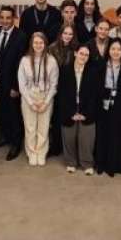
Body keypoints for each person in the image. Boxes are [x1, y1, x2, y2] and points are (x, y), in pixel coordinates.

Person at [0, 6, 27, 160]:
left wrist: (16, 87)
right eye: (2, 17)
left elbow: (21, 63)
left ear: (14, 19)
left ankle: (16, 143)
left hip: (11, 83)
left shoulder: (21, 36)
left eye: (8, 18)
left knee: (14, 114)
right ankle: (4, 137)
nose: (5, 21)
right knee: (2, 112)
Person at [95, 38, 121, 177]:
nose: (116, 52)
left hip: (120, 105)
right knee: (102, 134)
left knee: (117, 135)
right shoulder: (101, 64)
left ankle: (114, 165)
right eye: (113, 49)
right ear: (108, 50)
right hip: (103, 104)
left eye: (119, 49)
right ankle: (100, 164)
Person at [18, 31, 59, 166]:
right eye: (35, 42)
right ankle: (32, 152)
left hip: (45, 97)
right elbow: (22, 85)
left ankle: (41, 152)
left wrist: (46, 102)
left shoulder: (51, 61)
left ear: (45, 44)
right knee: (30, 127)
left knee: (44, 127)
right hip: (28, 97)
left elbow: (54, 85)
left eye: (41, 42)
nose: (38, 45)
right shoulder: (24, 60)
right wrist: (31, 102)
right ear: (31, 44)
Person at [58, 43, 99, 175]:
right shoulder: (65, 70)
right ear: (75, 53)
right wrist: (71, 113)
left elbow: (94, 96)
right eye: (81, 53)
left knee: (87, 138)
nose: (83, 57)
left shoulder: (93, 71)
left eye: (86, 55)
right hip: (69, 108)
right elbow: (62, 94)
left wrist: (85, 113)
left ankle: (87, 163)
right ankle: (71, 162)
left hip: (87, 109)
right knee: (69, 136)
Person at [47, 23, 79, 159]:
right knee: (55, 118)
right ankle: (55, 146)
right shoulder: (51, 48)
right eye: (65, 33)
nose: (67, 36)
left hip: (70, 87)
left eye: (70, 34)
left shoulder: (76, 48)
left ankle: (69, 147)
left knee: (67, 117)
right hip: (55, 86)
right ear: (60, 34)